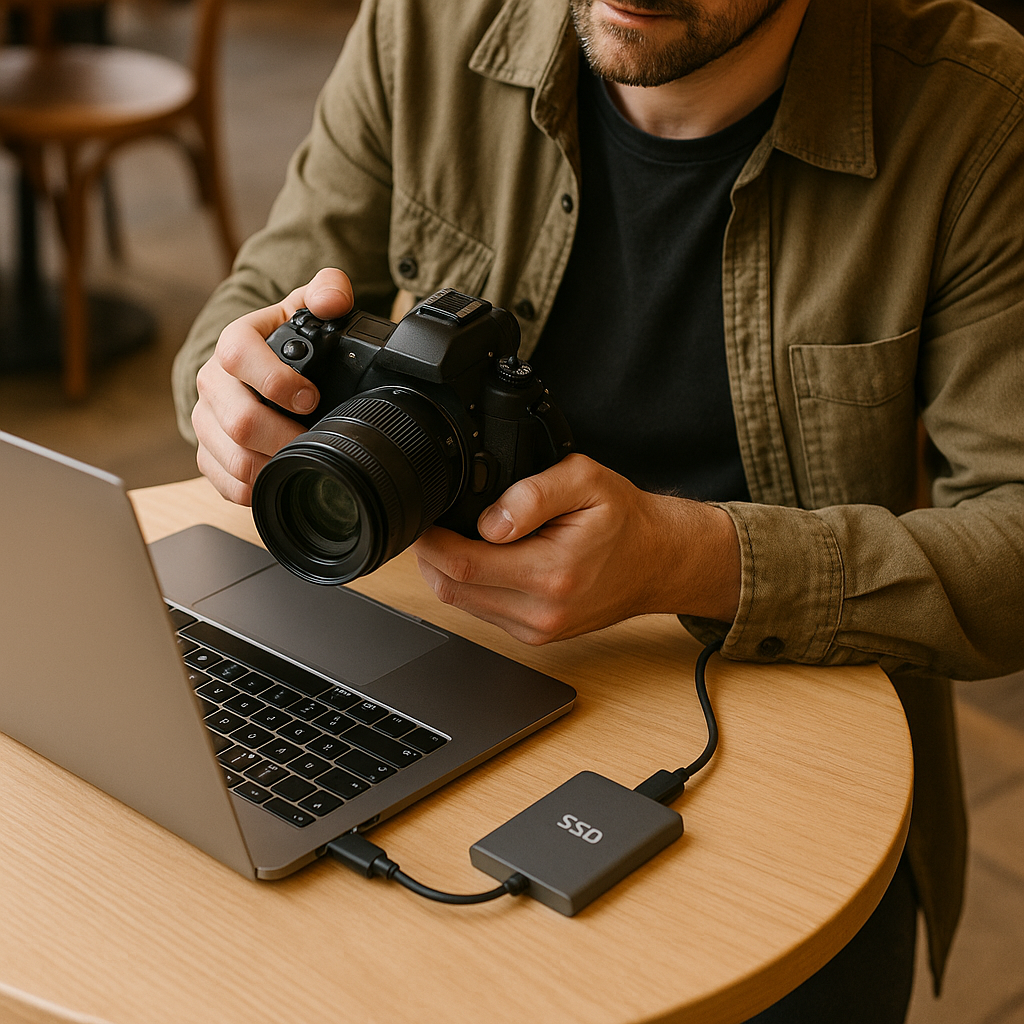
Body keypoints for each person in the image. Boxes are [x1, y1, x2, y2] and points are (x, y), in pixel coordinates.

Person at [171, 0, 1024, 1018]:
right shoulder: (427, 25)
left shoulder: (976, 111)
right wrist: (232, 392)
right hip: (442, 661)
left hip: (785, 727)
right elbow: (253, 303)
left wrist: (685, 557)